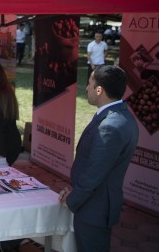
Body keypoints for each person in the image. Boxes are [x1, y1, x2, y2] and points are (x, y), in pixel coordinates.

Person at [59, 65, 139, 252]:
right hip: (95, 205)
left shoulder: (110, 126)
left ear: (99, 90)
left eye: (89, 84)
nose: (86, 88)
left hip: (94, 210)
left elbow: (94, 173)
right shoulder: (119, 116)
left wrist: (72, 200)